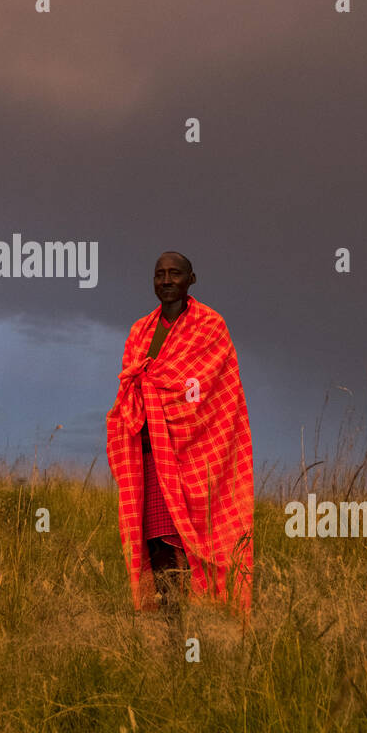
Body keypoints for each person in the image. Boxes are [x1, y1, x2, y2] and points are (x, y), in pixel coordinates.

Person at [106, 253, 254, 615]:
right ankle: (171, 626)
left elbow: (207, 393)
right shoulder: (140, 330)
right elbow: (130, 391)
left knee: (188, 547)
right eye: (159, 274)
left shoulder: (210, 327)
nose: (166, 280)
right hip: (148, 458)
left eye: (175, 273)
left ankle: (202, 619)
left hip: (196, 458)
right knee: (157, 543)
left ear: (192, 279)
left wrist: (158, 395)